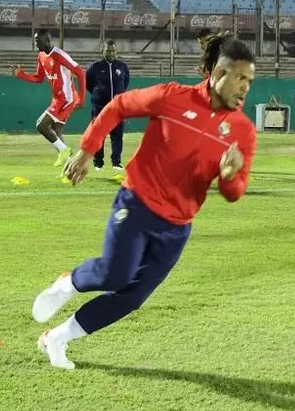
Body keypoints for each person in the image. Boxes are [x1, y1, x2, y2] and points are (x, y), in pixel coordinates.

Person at [31, 36, 257, 370]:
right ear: (219, 73)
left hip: (177, 228)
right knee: (115, 274)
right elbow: (119, 106)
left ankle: (57, 338)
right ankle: (69, 283)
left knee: (132, 297)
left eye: (250, 81)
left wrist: (229, 175)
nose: (245, 88)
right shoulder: (172, 97)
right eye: (241, 78)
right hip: (137, 204)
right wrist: (86, 150)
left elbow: (235, 192)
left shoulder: (243, 131)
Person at [13, 29, 86, 168]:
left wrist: (81, 99)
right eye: (34, 41)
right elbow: (39, 78)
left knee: (41, 124)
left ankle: (64, 152)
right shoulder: (41, 56)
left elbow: (80, 73)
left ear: (47, 40)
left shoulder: (59, 55)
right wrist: (21, 75)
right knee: (56, 131)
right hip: (57, 99)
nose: (36, 44)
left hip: (66, 99)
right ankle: (71, 167)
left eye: (37, 41)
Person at [85, 39, 130, 171]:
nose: (110, 53)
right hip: (99, 108)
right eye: (107, 51)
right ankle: (98, 162)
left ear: (116, 51)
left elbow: (125, 83)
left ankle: (116, 162)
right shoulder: (95, 67)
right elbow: (89, 84)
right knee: (99, 134)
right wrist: (99, 95)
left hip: (117, 108)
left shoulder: (122, 67)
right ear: (102, 51)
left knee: (117, 136)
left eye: (112, 51)